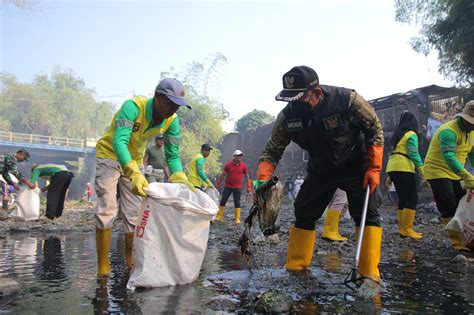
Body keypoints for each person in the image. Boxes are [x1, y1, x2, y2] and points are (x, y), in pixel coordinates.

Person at [255, 66, 384, 281]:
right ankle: (297, 268)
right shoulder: (287, 117)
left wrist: (374, 167)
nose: (295, 105)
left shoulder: (347, 100)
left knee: (367, 213)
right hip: (321, 167)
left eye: (299, 99)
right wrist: (262, 178)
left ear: (317, 93)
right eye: (290, 100)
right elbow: (272, 149)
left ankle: (368, 274)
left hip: (356, 163)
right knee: (304, 210)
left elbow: (374, 128)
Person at [94, 77, 193, 276]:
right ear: (157, 97)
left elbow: (172, 155)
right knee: (108, 209)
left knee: (133, 214)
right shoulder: (132, 108)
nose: (174, 109)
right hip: (110, 156)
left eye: (178, 106)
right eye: (171, 103)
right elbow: (119, 142)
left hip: (135, 158)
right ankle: (103, 265)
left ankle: (131, 263)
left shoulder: (171, 121)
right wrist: (134, 173)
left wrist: (180, 176)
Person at [424, 100, 474, 252]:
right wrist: (466, 175)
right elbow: (450, 157)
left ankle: (468, 237)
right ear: (463, 118)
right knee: (448, 203)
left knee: (462, 202)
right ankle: (457, 241)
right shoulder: (448, 131)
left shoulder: (471, 133)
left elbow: (472, 154)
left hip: (454, 172)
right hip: (437, 170)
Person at [386, 111, 425, 239]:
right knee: (412, 198)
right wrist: (421, 170)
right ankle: (408, 229)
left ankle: (402, 229)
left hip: (393, 167)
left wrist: (389, 176)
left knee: (403, 198)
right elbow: (413, 153)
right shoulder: (411, 134)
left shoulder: (397, 135)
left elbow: (394, 153)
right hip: (404, 168)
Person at [215, 149, 252, 224]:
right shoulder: (228, 165)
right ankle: (219, 216)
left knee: (237, 203)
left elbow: (247, 176)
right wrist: (218, 183)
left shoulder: (243, 166)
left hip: (237, 187)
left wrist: (248, 187)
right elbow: (223, 174)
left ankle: (237, 219)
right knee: (223, 201)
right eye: (238, 155)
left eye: (241, 155)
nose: (240, 157)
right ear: (234, 156)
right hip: (228, 186)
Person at [0, 148, 35, 215]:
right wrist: (28, 182)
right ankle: (3, 213)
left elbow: (5, 174)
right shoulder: (11, 157)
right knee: (5, 190)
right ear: (20, 154)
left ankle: (4, 213)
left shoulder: (8, 157)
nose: (23, 160)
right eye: (24, 158)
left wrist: (12, 183)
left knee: (5, 190)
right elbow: (15, 172)